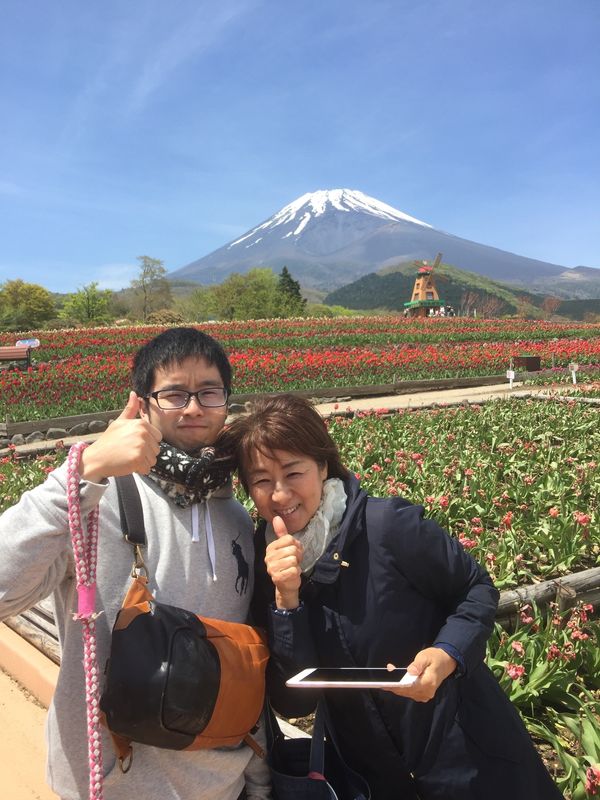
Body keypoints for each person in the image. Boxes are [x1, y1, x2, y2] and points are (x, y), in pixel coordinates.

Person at [219, 394, 563, 800]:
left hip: (467, 754)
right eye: (261, 481)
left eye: (293, 473)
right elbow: (294, 702)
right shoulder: (267, 565)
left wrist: (447, 653)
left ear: (323, 466)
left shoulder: (386, 526)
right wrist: (286, 600)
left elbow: (476, 588)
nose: (279, 494)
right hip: (375, 776)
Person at [0, 327, 271, 800]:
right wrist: (79, 473)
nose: (193, 407)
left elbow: (243, 655)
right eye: (174, 393)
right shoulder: (94, 502)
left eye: (209, 391)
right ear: (141, 404)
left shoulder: (235, 514)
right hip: (112, 785)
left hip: (221, 785)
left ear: (226, 401)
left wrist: (257, 777)